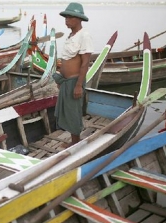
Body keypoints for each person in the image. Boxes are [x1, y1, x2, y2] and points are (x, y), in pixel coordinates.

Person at [52, 2, 93, 148]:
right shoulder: (71, 35)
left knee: (73, 112)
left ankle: (75, 143)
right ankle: (73, 140)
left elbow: (84, 63)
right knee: (68, 111)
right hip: (66, 80)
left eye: (69, 17)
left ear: (78, 19)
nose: (66, 20)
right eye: (66, 17)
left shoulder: (84, 36)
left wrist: (78, 85)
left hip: (74, 81)